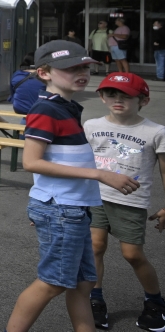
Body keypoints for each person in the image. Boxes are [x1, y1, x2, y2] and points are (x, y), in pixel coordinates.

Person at [5, 41, 141, 332]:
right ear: (44, 73)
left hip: (70, 209)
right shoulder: (46, 110)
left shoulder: (65, 107)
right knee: (52, 283)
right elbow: (31, 162)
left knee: (82, 284)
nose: (80, 72)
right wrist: (100, 175)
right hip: (62, 210)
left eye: (83, 66)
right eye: (70, 68)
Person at [84, 73, 165, 330]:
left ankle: (154, 303)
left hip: (131, 202)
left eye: (126, 95)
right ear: (102, 96)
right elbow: (82, 164)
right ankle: (95, 302)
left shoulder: (156, 132)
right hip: (94, 197)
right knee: (95, 248)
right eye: (111, 94)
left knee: (132, 254)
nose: (118, 99)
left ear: (144, 100)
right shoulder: (92, 125)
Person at [10, 52, 47, 116]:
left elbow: (12, 93)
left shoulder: (17, 74)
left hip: (19, 108)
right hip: (39, 110)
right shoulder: (44, 76)